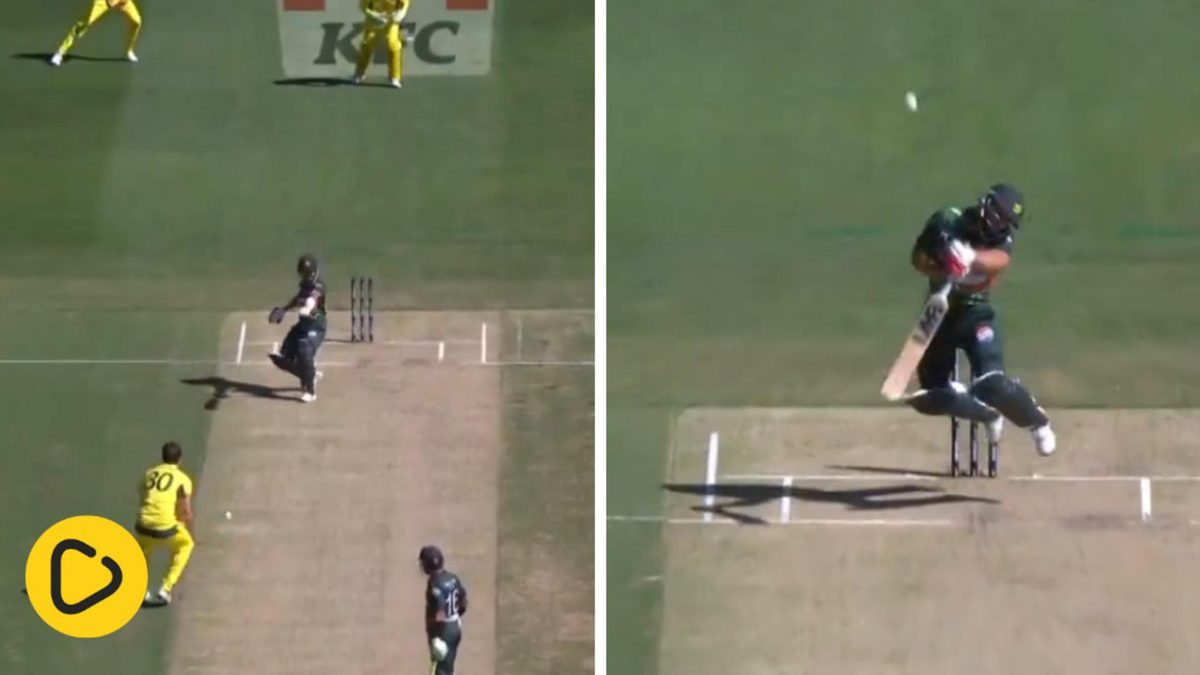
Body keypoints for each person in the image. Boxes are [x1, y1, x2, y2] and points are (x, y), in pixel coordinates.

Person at [907, 183, 1057, 456]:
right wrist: (942, 265)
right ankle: (987, 415)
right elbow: (917, 260)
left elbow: (996, 263)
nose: (1002, 227)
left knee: (991, 385)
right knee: (933, 396)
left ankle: (1038, 423)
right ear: (987, 205)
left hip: (975, 316)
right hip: (939, 316)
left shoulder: (1001, 242)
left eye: (1007, 223)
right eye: (1000, 218)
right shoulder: (947, 220)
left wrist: (970, 258)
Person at [135, 441, 195, 606]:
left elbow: (143, 496)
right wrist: (187, 528)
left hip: (143, 525)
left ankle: (140, 590)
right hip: (165, 528)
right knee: (186, 544)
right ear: (180, 459)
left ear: (162, 457)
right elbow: (186, 512)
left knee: (143, 552)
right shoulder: (182, 479)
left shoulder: (149, 474)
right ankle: (165, 588)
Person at [268, 254, 327, 403]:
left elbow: (315, 304)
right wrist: (284, 309)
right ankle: (310, 374)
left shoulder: (318, 286)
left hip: (316, 327)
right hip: (303, 326)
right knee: (281, 359)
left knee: (304, 349)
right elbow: (298, 299)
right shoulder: (305, 285)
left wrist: (310, 310)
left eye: (305, 273)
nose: (303, 276)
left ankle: (310, 391)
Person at [420, 545, 468, 675]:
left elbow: (440, 610)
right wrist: (455, 619)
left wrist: (438, 637)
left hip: (443, 631)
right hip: (454, 627)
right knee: (447, 668)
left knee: (441, 671)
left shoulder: (434, 583)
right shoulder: (453, 578)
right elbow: (463, 602)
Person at [50, 0, 143, 67]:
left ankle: (129, 51)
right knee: (85, 23)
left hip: (124, 2)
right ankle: (60, 52)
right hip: (103, 2)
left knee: (137, 22)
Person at [352, 0, 410, 88]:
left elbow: (405, 3)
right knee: (367, 43)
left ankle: (395, 77)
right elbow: (363, 7)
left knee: (393, 45)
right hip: (373, 21)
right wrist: (374, 16)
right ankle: (359, 73)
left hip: (391, 21)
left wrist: (401, 13)